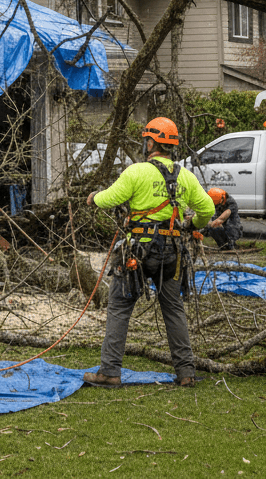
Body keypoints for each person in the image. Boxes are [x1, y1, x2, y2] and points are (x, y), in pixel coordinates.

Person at [83, 117, 215, 389]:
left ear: (152, 142)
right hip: (173, 252)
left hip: (138, 252)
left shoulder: (136, 172)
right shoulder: (185, 176)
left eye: (147, 140)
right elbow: (208, 211)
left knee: (119, 307)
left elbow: (110, 198)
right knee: (173, 309)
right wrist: (193, 225)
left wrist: (93, 197)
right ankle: (186, 373)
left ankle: (109, 372)